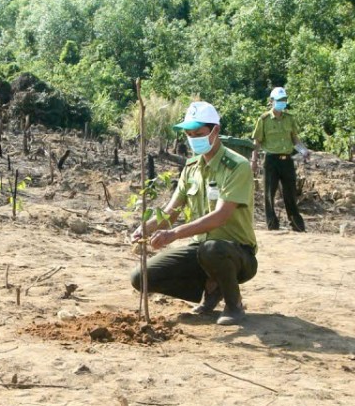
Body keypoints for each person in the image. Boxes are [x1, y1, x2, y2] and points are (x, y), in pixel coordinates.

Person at [129, 101, 258, 326]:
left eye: (198, 134)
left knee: (213, 249)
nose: (193, 139)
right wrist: (145, 228)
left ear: (215, 131)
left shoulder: (237, 166)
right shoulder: (191, 168)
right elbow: (170, 212)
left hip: (237, 254)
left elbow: (220, 216)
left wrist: (174, 234)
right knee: (141, 277)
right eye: (189, 135)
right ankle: (211, 287)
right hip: (201, 251)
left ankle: (234, 304)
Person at [251, 87, 306, 232]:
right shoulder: (264, 120)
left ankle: (296, 225)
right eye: (279, 100)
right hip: (271, 160)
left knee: (290, 193)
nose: (282, 102)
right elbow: (257, 142)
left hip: (287, 160)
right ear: (271, 101)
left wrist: (304, 151)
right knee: (269, 194)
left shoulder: (289, 119)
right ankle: (272, 225)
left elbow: (295, 139)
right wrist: (254, 161)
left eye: (284, 100)